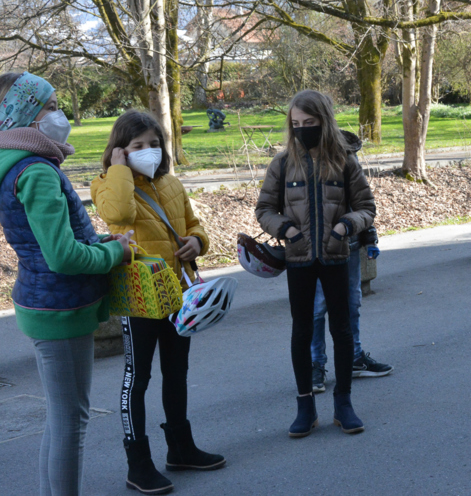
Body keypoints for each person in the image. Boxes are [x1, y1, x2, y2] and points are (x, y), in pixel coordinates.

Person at [0, 71, 133, 496]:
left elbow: (55, 242)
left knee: (62, 420)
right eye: (52, 106)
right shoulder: (35, 170)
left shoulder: (15, 164)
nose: (62, 115)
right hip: (60, 307)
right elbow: (62, 256)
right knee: (70, 421)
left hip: (45, 301)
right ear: (26, 114)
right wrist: (116, 252)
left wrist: (98, 239)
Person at [91, 110, 224, 495]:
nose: (148, 151)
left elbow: (192, 223)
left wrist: (197, 241)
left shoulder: (171, 183)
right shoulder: (108, 184)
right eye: (137, 146)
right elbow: (118, 214)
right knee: (138, 378)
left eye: (153, 144)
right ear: (119, 149)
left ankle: (181, 448)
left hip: (177, 293)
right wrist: (119, 170)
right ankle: (139, 463)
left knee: (176, 372)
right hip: (139, 298)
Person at [256, 90, 376, 437]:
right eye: (295, 124)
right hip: (298, 260)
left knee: (342, 330)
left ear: (324, 121)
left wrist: (345, 227)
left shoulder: (344, 161)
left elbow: (366, 207)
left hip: (337, 255)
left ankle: (344, 403)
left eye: (309, 123)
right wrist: (288, 230)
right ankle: (305, 406)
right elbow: (264, 209)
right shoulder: (281, 164)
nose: (302, 129)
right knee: (302, 331)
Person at [309, 131, 391, 393]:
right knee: (316, 309)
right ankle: (315, 365)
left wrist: (370, 238)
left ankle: (354, 358)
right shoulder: (297, 158)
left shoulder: (347, 156)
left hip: (349, 245)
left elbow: (361, 203)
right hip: (313, 250)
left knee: (351, 303)